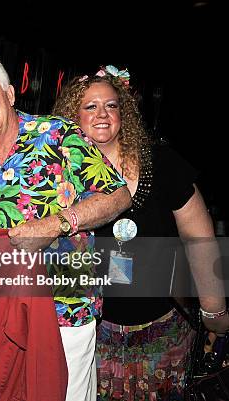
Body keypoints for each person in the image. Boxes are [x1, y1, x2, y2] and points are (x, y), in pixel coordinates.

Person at [0, 55, 131, 401]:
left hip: (65, 304)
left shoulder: (59, 136)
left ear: (10, 94)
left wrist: (58, 223)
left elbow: (118, 196)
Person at [53, 65, 229, 400]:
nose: (102, 114)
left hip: (164, 328)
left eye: (111, 105)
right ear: (72, 116)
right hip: (93, 332)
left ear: (125, 112)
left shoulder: (160, 160)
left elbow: (199, 239)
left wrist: (214, 311)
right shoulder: (60, 173)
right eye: (90, 106)